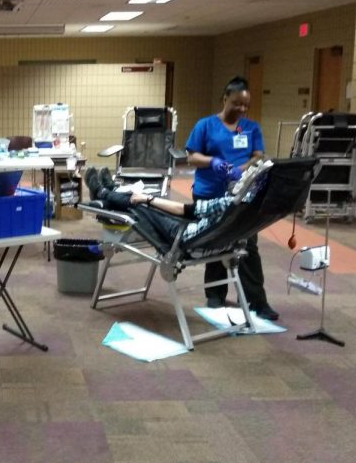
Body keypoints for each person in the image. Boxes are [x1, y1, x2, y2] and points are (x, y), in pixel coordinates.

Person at [184, 76, 278, 320]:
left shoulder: (250, 128)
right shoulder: (205, 126)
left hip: (242, 193)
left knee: (248, 246)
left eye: (245, 105)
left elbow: (258, 156)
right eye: (236, 103)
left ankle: (256, 301)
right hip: (209, 192)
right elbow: (192, 157)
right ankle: (215, 295)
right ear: (224, 99)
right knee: (214, 241)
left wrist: (242, 168)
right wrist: (214, 162)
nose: (241, 109)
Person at [84, 163, 268, 247]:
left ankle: (104, 193)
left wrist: (147, 199)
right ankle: (112, 191)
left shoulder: (227, 203)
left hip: (183, 235)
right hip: (207, 237)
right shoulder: (251, 208)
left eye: (245, 177)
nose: (241, 176)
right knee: (150, 202)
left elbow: (184, 210)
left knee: (143, 206)